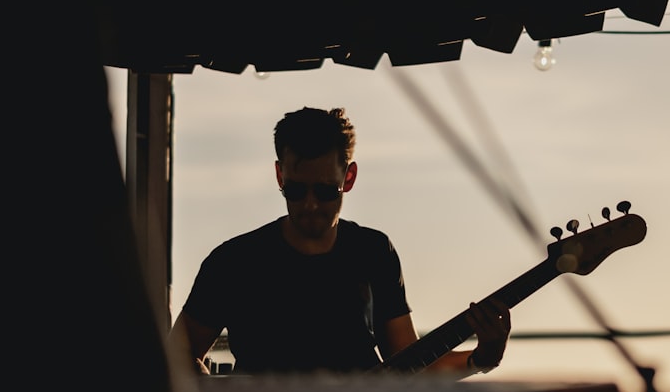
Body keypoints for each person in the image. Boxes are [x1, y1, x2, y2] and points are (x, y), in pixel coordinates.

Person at [169, 106, 511, 377]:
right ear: (279, 175)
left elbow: (411, 364)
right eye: (296, 190)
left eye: (325, 190)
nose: (310, 205)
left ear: (348, 177)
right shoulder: (234, 261)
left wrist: (483, 358)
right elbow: (175, 359)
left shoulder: (374, 251)